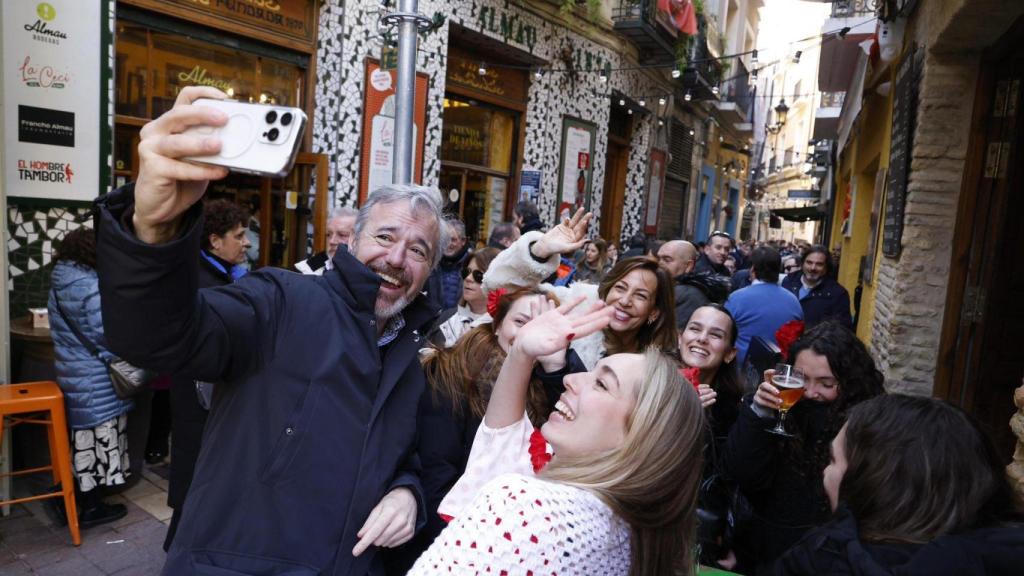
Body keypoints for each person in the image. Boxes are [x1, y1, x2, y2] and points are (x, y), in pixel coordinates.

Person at [95, 86, 450, 575]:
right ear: (350, 242)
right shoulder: (282, 299)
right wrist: (152, 231)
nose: (395, 258)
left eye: (418, 250)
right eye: (385, 237)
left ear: (430, 269)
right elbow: (157, 335)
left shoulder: (415, 353)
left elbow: (403, 453)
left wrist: (408, 491)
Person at [411, 298, 705, 575]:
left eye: (602, 383)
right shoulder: (638, 535)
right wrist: (522, 354)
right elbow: (502, 437)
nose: (570, 378)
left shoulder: (525, 507)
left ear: (642, 435)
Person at [384, 288, 558, 574]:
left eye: (544, 326)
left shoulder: (544, 384)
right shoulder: (453, 375)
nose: (531, 335)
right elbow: (436, 478)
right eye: (521, 322)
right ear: (498, 323)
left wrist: (557, 369)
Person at [775, 394, 1024, 575]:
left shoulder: (823, 561)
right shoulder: (1003, 554)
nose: (824, 470)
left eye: (833, 460)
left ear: (875, 485)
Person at [725, 321, 885, 573]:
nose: (810, 392)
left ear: (850, 382)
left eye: (826, 383)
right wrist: (758, 412)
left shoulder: (862, 430)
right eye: (802, 379)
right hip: (763, 552)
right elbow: (741, 472)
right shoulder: (783, 410)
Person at [482, 209, 678, 374]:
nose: (625, 300)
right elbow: (500, 288)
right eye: (620, 288)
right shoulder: (575, 305)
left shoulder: (655, 368)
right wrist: (539, 251)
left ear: (654, 311)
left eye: (641, 295)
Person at [162, 198, 250, 550]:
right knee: (199, 480)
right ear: (215, 241)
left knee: (199, 483)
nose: (246, 242)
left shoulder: (216, 274)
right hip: (200, 398)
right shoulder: (207, 283)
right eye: (240, 235)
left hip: (200, 396)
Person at [47, 228, 132, 528]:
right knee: (99, 437)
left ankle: (67, 496)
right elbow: (106, 335)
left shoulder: (60, 280)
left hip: (73, 371)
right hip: (95, 375)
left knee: (83, 438)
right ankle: (90, 506)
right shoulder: (89, 285)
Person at [679, 304, 743, 568]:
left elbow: (732, 480)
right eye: (695, 328)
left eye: (715, 335)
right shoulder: (645, 384)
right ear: (679, 337)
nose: (702, 338)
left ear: (729, 354)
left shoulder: (735, 411)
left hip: (695, 535)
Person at [726, 246, 803, 365]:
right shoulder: (794, 302)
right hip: (778, 372)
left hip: (739, 371)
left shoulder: (736, 299)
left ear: (752, 269)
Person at [432, 247, 500, 348]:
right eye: (466, 272)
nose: (468, 278)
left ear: (497, 282)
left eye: (478, 275)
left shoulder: (502, 328)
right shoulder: (446, 317)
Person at [658, 239, 730, 329]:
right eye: (658, 258)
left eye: (667, 260)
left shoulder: (688, 295)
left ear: (688, 266)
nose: (659, 264)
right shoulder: (672, 289)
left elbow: (669, 336)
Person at [781, 245, 852, 329]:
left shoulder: (838, 294)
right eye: (809, 262)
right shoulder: (788, 282)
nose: (813, 268)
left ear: (826, 267)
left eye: (819, 264)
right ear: (802, 263)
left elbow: (841, 330)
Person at [295, 205, 358, 275]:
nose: (332, 241)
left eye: (342, 235)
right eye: (328, 234)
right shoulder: (308, 269)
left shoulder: (367, 270)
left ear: (359, 239)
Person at [425, 218, 472, 311]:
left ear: (463, 241)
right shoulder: (430, 262)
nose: (448, 244)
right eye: (445, 239)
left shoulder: (471, 265)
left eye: (453, 240)